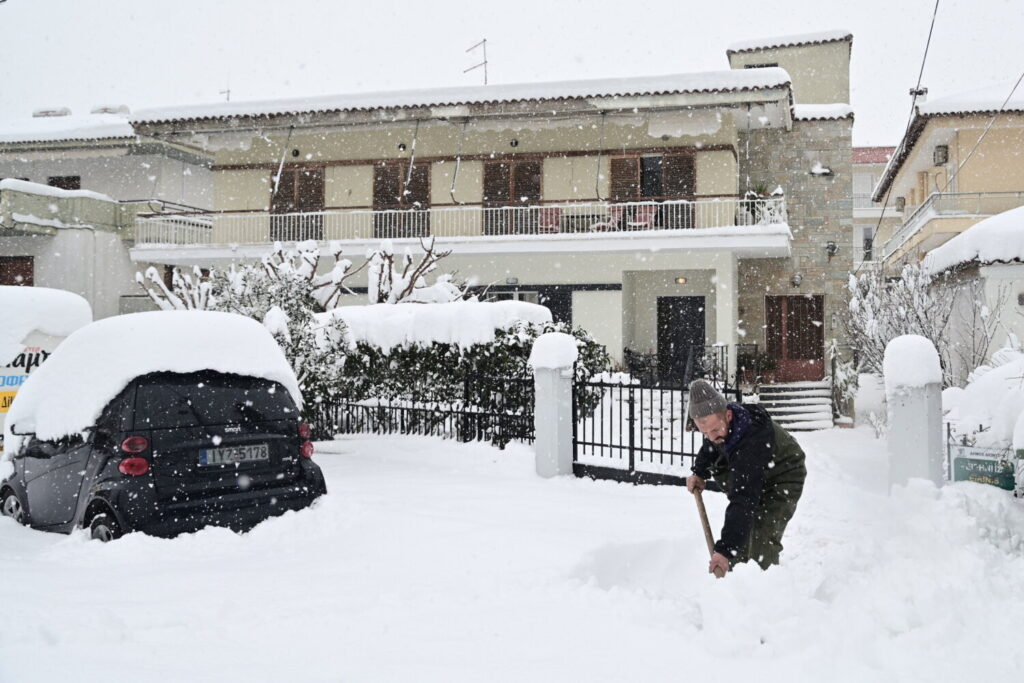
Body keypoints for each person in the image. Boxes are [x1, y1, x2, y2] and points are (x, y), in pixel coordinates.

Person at [685, 378, 806, 575]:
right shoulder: (722, 429)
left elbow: (743, 498)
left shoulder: (750, 442)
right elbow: (711, 447)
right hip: (760, 473)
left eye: (715, 429)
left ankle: (763, 588)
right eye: (705, 432)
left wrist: (723, 550)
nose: (711, 436)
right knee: (741, 539)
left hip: (784, 475)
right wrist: (699, 472)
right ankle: (737, 585)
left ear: (728, 415)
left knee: (762, 537)